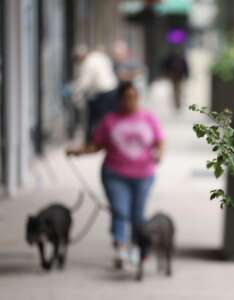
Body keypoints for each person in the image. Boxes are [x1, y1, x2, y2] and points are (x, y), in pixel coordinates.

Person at [67, 81, 165, 269]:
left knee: (138, 215)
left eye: (134, 97)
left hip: (144, 175)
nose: (130, 101)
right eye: (126, 97)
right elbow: (96, 146)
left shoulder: (148, 118)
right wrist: (78, 152)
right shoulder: (109, 120)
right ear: (119, 99)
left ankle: (138, 246)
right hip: (115, 174)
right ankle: (120, 247)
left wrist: (159, 154)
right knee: (120, 211)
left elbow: (160, 141)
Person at [73, 46, 119, 142]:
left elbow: (85, 81)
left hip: (103, 92)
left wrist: (76, 93)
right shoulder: (99, 56)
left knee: (102, 117)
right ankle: (111, 137)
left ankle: (99, 139)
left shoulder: (88, 62)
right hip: (112, 88)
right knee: (110, 116)